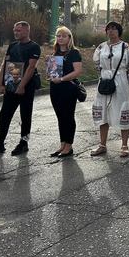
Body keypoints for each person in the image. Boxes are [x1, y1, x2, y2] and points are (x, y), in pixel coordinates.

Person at [0, 21, 41, 156]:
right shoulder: (12, 46)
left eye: (19, 30)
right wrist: (0, 82)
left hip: (27, 86)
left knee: (25, 115)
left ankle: (23, 143)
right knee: (5, 114)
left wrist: (21, 86)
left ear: (27, 31)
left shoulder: (34, 47)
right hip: (11, 83)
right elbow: (5, 63)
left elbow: (31, 68)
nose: (16, 32)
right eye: (15, 30)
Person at [91, 22, 129, 158]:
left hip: (121, 83)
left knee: (122, 111)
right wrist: (104, 77)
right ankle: (102, 145)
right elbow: (96, 65)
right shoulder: (101, 47)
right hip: (104, 82)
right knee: (103, 111)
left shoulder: (126, 47)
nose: (111, 31)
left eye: (114, 29)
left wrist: (124, 85)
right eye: (108, 29)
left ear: (119, 31)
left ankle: (124, 145)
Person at [48, 26, 83, 158]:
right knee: (60, 117)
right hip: (55, 88)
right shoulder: (54, 53)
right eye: (58, 36)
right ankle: (62, 144)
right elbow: (52, 72)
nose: (60, 38)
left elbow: (78, 71)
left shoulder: (74, 53)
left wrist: (62, 79)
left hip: (68, 88)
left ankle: (69, 146)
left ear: (69, 38)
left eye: (63, 36)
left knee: (68, 117)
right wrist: (51, 76)